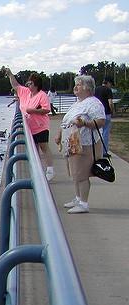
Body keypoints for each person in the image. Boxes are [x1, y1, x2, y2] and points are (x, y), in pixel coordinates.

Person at [54, 75, 105, 214]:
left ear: (88, 88)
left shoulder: (94, 103)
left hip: (85, 144)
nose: (76, 87)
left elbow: (101, 121)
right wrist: (59, 134)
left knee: (82, 174)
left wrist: (84, 124)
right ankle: (78, 198)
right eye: (76, 84)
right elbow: (67, 120)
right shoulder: (78, 102)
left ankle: (84, 203)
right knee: (75, 172)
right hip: (72, 143)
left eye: (79, 85)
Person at [4, 68, 55, 181]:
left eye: (30, 83)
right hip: (29, 127)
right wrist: (10, 74)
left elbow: (46, 110)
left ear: (36, 84)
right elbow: (15, 85)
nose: (28, 84)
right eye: (28, 82)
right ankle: (38, 172)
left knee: (43, 146)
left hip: (41, 126)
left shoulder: (42, 95)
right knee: (34, 149)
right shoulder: (26, 92)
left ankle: (50, 169)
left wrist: (33, 111)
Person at [94, 76, 114, 157]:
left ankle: (96, 150)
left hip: (96, 114)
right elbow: (110, 102)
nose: (111, 86)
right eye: (111, 84)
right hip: (106, 114)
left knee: (97, 133)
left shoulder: (96, 89)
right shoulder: (108, 90)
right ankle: (104, 151)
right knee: (105, 133)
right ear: (108, 83)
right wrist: (112, 111)